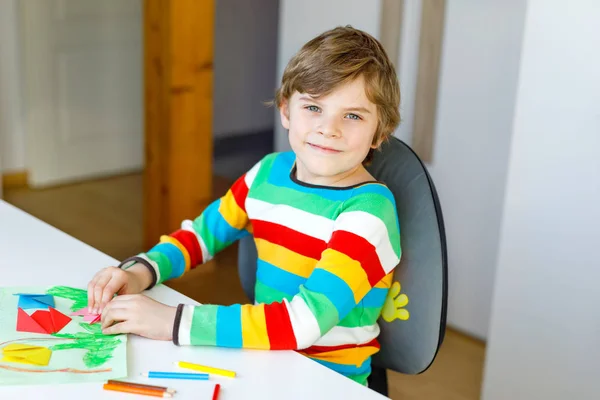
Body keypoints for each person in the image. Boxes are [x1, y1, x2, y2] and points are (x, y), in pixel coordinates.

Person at [87, 25, 402, 386]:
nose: (328, 128)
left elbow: (303, 324)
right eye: (313, 106)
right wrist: (141, 271)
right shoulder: (267, 173)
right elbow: (203, 235)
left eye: (353, 115)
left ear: (380, 132)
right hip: (262, 359)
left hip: (327, 380)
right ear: (286, 110)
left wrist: (172, 322)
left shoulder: (369, 212)